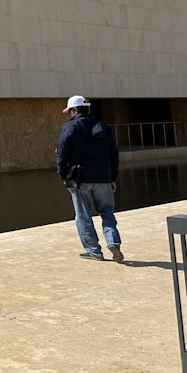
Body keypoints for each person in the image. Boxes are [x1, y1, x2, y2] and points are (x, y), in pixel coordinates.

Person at [56, 95, 123, 262]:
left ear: (74, 110)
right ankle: (113, 242)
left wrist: (64, 178)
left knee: (83, 216)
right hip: (103, 178)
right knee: (107, 212)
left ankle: (94, 251)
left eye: (69, 111)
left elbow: (62, 156)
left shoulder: (69, 128)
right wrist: (113, 177)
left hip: (80, 180)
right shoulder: (103, 127)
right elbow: (113, 154)